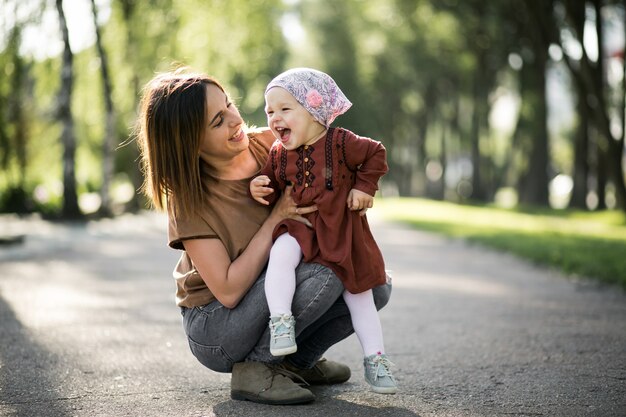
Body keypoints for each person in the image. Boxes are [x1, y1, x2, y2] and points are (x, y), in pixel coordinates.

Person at [135, 67, 392, 405]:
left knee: (373, 285)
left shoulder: (272, 146)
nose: (234, 119)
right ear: (188, 143)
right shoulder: (189, 199)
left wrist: (352, 193)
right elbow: (227, 290)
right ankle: (256, 368)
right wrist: (276, 218)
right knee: (328, 273)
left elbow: (335, 158)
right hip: (216, 324)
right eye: (217, 121)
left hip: (269, 292)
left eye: (229, 104)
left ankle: (295, 363)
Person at [250, 67, 397, 394]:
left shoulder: (341, 142)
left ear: (315, 111)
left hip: (342, 233)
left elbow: (376, 153)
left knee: (360, 298)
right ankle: (281, 322)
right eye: (270, 111)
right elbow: (273, 186)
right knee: (280, 255)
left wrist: (364, 187)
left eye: (285, 109)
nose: (275, 118)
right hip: (300, 228)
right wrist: (260, 187)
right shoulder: (278, 153)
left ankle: (376, 361)